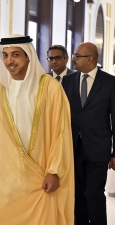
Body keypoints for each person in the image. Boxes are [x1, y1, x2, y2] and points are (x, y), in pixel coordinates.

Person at [0, 34, 74, 224]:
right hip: (3, 176)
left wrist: (54, 171)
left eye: (15, 55)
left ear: (28, 56)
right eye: (5, 55)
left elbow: (60, 132)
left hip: (40, 175)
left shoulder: (51, 88)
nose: (9, 61)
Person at [62, 42, 115, 225]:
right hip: (72, 149)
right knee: (76, 195)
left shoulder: (109, 82)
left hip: (97, 149)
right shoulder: (67, 81)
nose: (73, 59)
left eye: (77, 55)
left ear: (90, 59)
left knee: (94, 194)